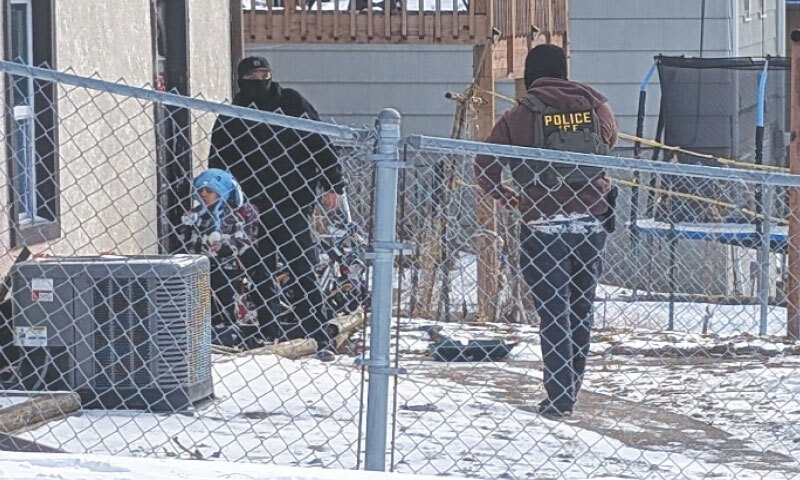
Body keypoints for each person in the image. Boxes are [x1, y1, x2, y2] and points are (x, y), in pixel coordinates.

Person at [474, 44, 618, 417]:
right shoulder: (597, 105)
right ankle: (572, 387)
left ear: (529, 75)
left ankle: (559, 396)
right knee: (581, 307)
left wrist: (502, 194)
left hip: (543, 223)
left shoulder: (520, 114)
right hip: (591, 223)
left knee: (554, 311)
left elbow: (485, 161)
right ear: (564, 70)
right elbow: (609, 142)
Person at [208, 56, 345, 361]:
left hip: (293, 200)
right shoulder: (234, 115)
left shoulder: (291, 103)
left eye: (265, 74)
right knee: (260, 270)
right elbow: (219, 161)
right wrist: (223, 200)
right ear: (242, 80)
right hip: (252, 206)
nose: (260, 80)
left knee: (302, 269)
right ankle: (270, 333)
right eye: (253, 76)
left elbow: (318, 141)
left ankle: (317, 333)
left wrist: (333, 183)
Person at [179, 168, 261, 348]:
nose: (204, 194)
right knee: (198, 301)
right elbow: (186, 240)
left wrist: (224, 246)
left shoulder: (232, 215)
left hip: (224, 267)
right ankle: (203, 334)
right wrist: (186, 226)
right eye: (200, 191)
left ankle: (226, 333)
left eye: (209, 191)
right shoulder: (197, 214)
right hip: (198, 266)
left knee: (223, 300)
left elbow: (241, 240)